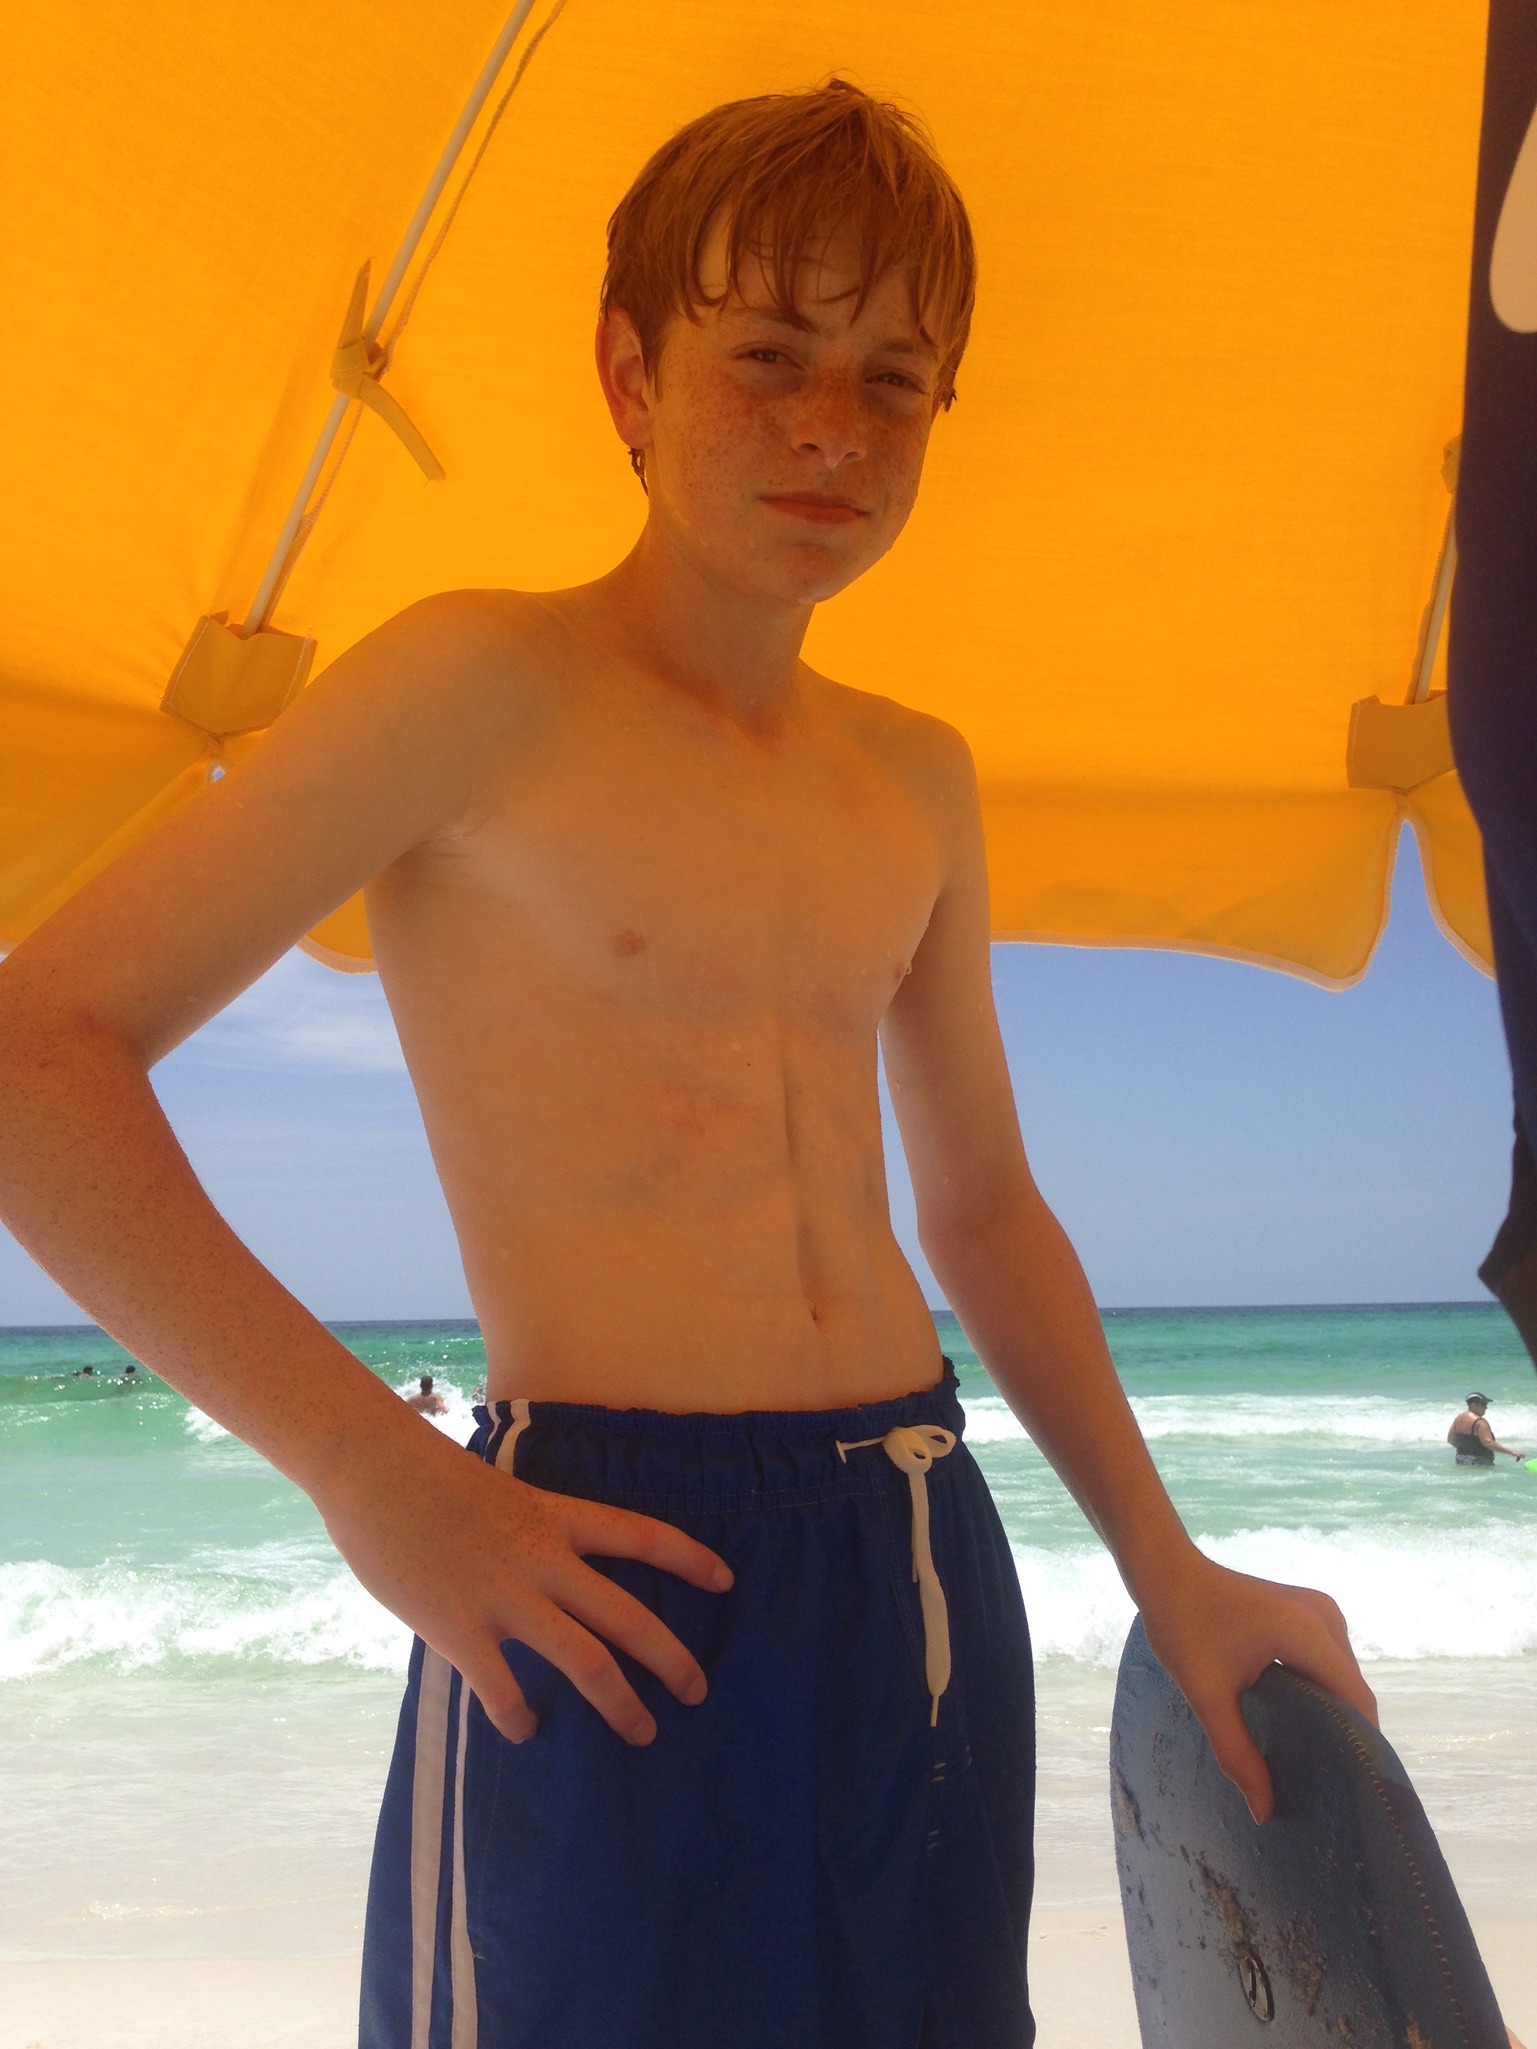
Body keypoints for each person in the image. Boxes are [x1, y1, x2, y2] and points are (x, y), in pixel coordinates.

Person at [0, 82, 1375, 2049]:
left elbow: (984, 1209)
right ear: (629, 376)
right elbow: (38, 1053)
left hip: (920, 1540)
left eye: (895, 379)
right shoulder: (478, 681)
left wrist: (1172, 1570)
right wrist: (375, 1474)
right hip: (596, 1559)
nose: (835, 427)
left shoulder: (913, 777)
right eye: (770, 357)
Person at [1447, 1392, 1523, 1465]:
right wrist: (1511, 1452)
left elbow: (1450, 1439)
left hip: (1460, 1459)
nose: (1486, 1408)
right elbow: (1488, 1443)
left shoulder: (1458, 1420)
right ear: (1473, 1405)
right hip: (1479, 1462)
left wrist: (1466, 1450)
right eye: (1483, 1404)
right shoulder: (1480, 1422)